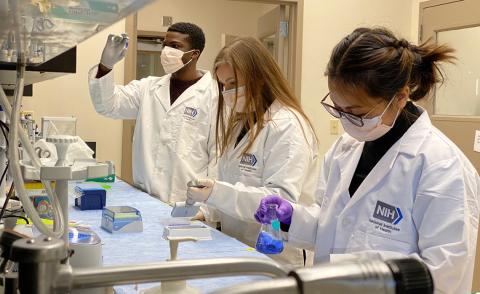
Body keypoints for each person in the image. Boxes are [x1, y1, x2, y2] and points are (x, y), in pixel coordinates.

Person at [255, 27, 480, 293]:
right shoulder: (345, 149)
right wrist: (292, 218)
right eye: (337, 108)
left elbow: (445, 275)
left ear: (400, 97)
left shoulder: (441, 167)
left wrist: (355, 272)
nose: (346, 121)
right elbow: (332, 225)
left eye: (356, 112)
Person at [186, 37, 319, 268]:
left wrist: (216, 193)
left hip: (277, 257)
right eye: (223, 85)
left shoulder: (288, 125)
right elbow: (231, 180)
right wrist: (208, 211)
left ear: (260, 78)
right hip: (239, 247)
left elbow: (279, 202)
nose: (226, 92)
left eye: (232, 83)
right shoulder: (241, 122)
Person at [88, 22, 218, 203]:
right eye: (164, 44)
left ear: (194, 54)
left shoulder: (214, 95)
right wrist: (105, 66)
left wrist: (209, 209)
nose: (166, 51)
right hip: (145, 198)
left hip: (187, 204)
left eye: (175, 46)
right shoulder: (148, 88)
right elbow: (108, 105)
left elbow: (216, 155)